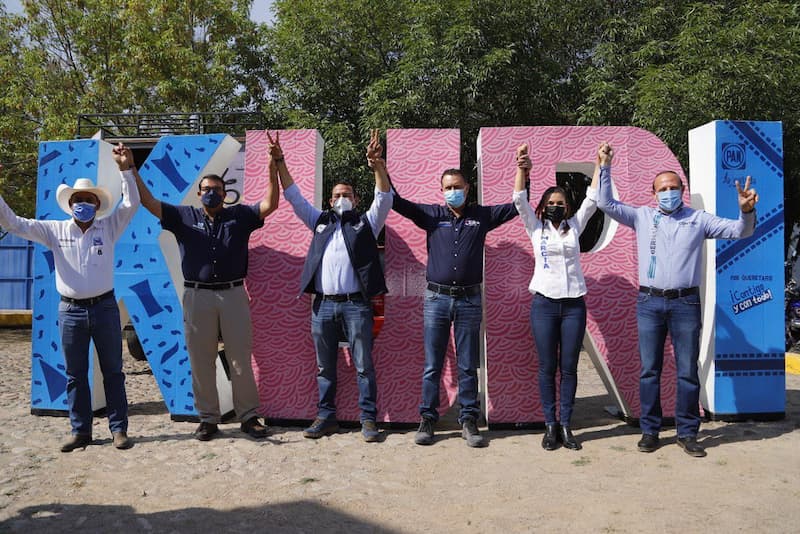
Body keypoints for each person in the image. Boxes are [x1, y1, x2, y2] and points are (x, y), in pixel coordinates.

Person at [596, 143, 758, 457]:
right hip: (649, 303)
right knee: (649, 370)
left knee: (686, 370)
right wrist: (604, 166)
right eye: (662, 188)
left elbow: (741, 231)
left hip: (685, 304)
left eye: (673, 187)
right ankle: (650, 431)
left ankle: (687, 433)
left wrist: (746, 210)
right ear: (653, 193)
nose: (668, 192)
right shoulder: (642, 216)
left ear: (682, 190)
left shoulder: (699, 220)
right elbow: (605, 202)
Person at [130, 144, 279, 441]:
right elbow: (148, 202)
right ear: (199, 193)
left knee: (239, 359)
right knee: (201, 359)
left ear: (225, 193)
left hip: (234, 294)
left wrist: (272, 168)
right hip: (197, 296)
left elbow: (269, 204)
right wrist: (130, 169)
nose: (212, 193)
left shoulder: (240, 216)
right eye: (206, 189)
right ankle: (208, 419)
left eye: (217, 189)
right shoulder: (182, 216)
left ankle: (248, 418)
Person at [0, 146, 139, 452]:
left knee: (114, 371)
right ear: (70, 204)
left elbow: (130, 204)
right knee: (75, 375)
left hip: (104, 307)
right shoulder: (55, 230)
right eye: (78, 200)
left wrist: (126, 169)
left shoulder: (109, 226)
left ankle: (119, 430)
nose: (83, 204)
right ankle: (81, 431)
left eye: (88, 200)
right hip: (71, 312)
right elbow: (13, 223)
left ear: (97, 204)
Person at [271, 130, 392, 442]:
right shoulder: (319, 221)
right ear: (329, 200)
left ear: (355, 199)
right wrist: (281, 161)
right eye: (337, 195)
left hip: (356, 305)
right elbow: (293, 196)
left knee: (364, 366)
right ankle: (326, 417)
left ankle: (368, 419)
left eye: (347, 194)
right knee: (325, 367)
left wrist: (377, 164)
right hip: (322, 305)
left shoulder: (366, 223)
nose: (342, 198)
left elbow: (384, 197)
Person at [391, 161, 517, 448]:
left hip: (469, 299)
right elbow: (396, 201)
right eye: (448, 188)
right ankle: (427, 418)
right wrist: (378, 166)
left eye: (457, 187)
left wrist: (523, 171)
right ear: (441, 190)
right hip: (436, 298)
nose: (453, 192)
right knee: (432, 364)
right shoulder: (432, 215)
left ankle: (469, 419)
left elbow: (516, 205)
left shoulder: (482, 216)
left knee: (467, 365)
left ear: (467, 188)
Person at [513, 143, 601, 451]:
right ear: (543, 206)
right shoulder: (535, 229)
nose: (555, 206)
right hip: (544, 305)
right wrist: (523, 169)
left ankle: (566, 425)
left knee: (570, 367)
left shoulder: (575, 227)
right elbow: (518, 199)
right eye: (550, 202)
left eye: (560, 202)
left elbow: (592, 199)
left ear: (567, 206)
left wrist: (601, 165)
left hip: (574, 304)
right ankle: (549, 425)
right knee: (547, 367)